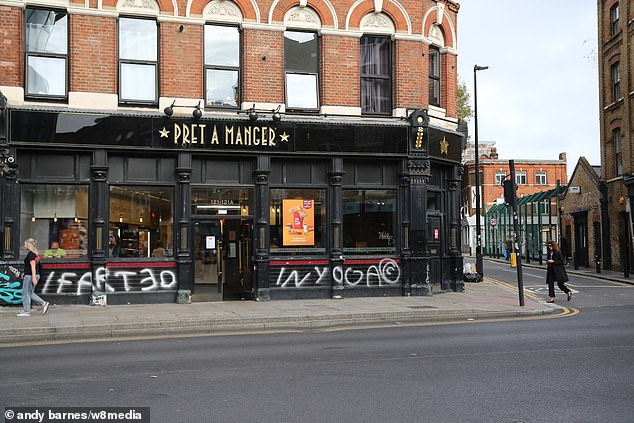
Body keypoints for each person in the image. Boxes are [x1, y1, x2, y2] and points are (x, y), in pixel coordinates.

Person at [18, 238, 49, 317]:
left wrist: (33, 277)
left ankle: (26, 311)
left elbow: (33, 267)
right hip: (31, 275)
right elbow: (32, 266)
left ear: (29, 244)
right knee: (30, 293)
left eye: (25, 244)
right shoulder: (35, 254)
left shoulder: (31, 254)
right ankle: (44, 303)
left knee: (25, 293)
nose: (24, 245)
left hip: (30, 276)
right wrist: (25, 273)